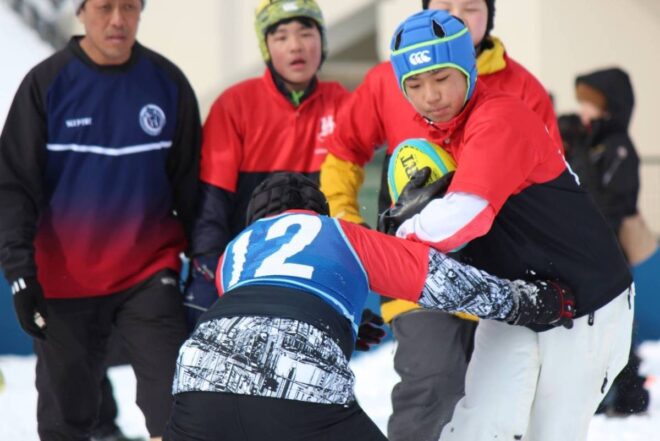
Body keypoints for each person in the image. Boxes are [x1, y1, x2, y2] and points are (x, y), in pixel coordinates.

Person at [163, 172, 574, 441]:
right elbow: (441, 282)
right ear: (319, 211)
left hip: (200, 374)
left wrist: (341, 326)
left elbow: (255, 318)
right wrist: (528, 302)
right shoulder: (339, 232)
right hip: (300, 374)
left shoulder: (235, 253)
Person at [379, 10, 634, 441]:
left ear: (467, 69)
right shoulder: (439, 139)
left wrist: (403, 230)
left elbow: (467, 216)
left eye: (441, 77)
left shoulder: (499, 116)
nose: (430, 96)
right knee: (477, 428)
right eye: (415, 84)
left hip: (588, 302)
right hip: (521, 299)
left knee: (549, 433)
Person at [319, 0, 561, 439]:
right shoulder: (388, 80)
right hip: (416, 269)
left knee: (504, 399)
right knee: (433, 382)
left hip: (502, 272)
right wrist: (348, 221)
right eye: (443, 5)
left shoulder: (521, 88)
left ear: (490, 13)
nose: (457, 15)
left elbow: (550, 179)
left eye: (470, 6)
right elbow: (343, 152)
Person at [0, 0, 201, 439]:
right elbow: (12, 188)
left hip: (149, 274)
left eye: (129, 6)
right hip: (62, 281)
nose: (117, 20)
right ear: (80, 11)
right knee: (63, 422)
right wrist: (20, 275)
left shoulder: (167, 83)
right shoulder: (46, 85)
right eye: (104, 6)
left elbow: (192, 191)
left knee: (177, 410)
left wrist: (206, 264)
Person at [182, 0, 349, 330]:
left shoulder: (343, 103)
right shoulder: (235, 104)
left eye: (306, 33)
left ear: (322, 40)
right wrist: (208, 267)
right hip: (242, 268)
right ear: (266, 47)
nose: (296, 45)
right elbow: (212, 203)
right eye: (281, 36)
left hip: (313, 270)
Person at [570, 68, 650, 415]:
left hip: (609, 252)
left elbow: (607, 202)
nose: (582, 110)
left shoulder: (618, 148)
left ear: (607, 106)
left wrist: (581, 153)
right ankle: (611, 392)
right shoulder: (593, 141)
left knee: (613, 323)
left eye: (589, 103)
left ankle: (629, 393)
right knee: (595, 324)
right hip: (590, 249)